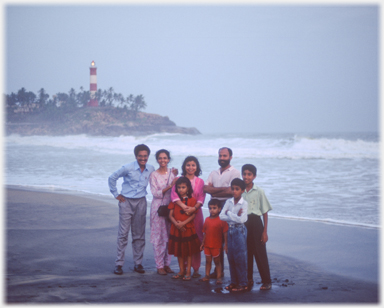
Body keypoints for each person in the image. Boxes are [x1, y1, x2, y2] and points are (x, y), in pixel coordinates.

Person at [108, 144, 155, 275]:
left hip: (141, 202)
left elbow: (159, 179)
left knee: (139, 234)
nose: (143, 158)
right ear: (136, 156)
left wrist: (171, 174)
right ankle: (119, 264)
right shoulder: (127, 167)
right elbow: (112, 177)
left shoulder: (151, 169)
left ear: (148, 156)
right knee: (123, 234)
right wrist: (116, 194)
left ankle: (138, 263)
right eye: (140, 156)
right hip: (126, 202)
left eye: (145, 156)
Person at [203, 147, 240, 278]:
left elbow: (231, 191)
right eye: (220, 156)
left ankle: (233, 274)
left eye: (224, 156)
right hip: (214, 206)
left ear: (230, 157)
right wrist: (216, 190)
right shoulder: (214, 172)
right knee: (216, 240)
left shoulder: (235, 172)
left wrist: (214, 190)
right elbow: (206, 188)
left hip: (227, 206)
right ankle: (219, 271)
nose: (222, 158)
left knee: (228, 239)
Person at [170, 156, 206, 278]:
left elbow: (201, 197)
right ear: (184, 166)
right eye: (188, 165)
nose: (190, 167)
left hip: (196, 213)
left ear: (197, 167)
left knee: (195, 240)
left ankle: (195, 268)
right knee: (182, 239)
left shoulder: (200, 181)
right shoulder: (178, 179)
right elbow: (174, 194)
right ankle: (183, 268)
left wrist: (193, 208)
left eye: (193, 165)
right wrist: (184, 207)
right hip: (180, 212)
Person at [242, 164, 272, 290]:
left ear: (254, 176)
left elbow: (265, 212)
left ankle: (266, 281)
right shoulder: (239, 190)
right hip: (243, 223)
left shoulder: (259, 191)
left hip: (256, 223)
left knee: (260, 253)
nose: (246, 176)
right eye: (244, 174)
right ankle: (248, 279)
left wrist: (265, 231)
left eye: (249, 174)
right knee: (246, 252)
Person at [149, 149, 179, 275]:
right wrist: (170, 186)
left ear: (168, 159)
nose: (163, 160)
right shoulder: (154, 175)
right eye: (160, 158)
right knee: (159, 237)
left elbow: (178, 188)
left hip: (171, 207)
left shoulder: (172, 174)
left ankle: (167, 264)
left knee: (169, 236)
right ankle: (159, 265)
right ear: (157, 160)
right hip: (158, 208)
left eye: (165, 158)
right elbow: (155, 193)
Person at [168, 177, 201, 281]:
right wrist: (176, 224)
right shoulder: (175, 201)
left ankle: (188, 272)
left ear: (188, 188)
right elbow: (170, 215)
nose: (181, 189)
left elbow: (193, 216)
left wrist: (183, 223)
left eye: (183, 187)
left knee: (189, 252)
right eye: (179, 187)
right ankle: (181, 270)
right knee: (179, 251)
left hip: (188, 229)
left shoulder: (192, 200)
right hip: (176, 229)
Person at [219, 178, 249, 292]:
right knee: (231, 257)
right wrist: (235, 215)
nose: (234, 191)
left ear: (242, 190)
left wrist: (229, 213)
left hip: (239, 231)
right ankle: (234, 282)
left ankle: (242, 283)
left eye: (237, 189)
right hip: (230, 230)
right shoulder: (228, 202)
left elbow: (242, 220)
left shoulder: (244, 203)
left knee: (240, 257)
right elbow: (221, 216)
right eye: (233, 189)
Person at [199, 199, 228, 285]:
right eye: (210, 208)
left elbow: (225, 233)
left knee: (217, 262)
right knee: (208, 261)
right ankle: (207, 276)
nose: (212, 210)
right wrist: (202, 243)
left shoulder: (222, 220)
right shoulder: (207, 220)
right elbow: (205, 233)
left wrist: (226, 244)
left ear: (219, 209)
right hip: (207, 245)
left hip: (216, 245)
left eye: (214, 208)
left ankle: (219, 277)